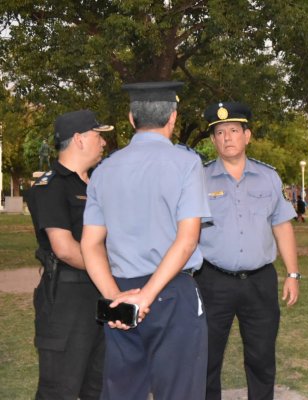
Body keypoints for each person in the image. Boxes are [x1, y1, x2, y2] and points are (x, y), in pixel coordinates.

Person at [81, 81, 211, 399]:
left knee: (123, 390)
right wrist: (147, 296)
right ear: (173, 118)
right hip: (170, 292)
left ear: (130, 119)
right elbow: (187, 240)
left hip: (121, 292)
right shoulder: (186, 163)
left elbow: (90, 244)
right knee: (179, 391)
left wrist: (118, 299)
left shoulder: (104, 170)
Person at [195, 101, 300, 400]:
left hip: (259, 281)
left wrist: (293, 273)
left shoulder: (268, 177)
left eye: (233, 130)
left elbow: (282, 225)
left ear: (247, 136)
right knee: (207, 358)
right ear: (213, 140)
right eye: (219, 132)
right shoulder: (198, 179)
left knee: (262, 358)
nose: (227, 137)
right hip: (212, 281)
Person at [25, 109, 111, 399]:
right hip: (67, 298)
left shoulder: (98, 185)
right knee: (60, 388)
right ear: (79, 139)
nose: (104, 143)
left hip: (100, 294)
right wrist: (107, 272)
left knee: (98, 386)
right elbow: (63, 248)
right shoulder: (51, 186)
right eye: (99, 136)